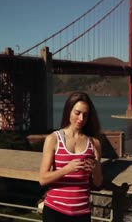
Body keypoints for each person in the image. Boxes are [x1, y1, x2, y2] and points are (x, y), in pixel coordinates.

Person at [39, 92, 103, 222]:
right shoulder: (53, 139)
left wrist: (95, 169)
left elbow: (98, 182)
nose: (81, 119)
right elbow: (42, 179)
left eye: (85, 115)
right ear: (68, 110)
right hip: (55, 211)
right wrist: (67, 169)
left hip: (82, 213)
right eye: (77, 113)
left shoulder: (94, 143)